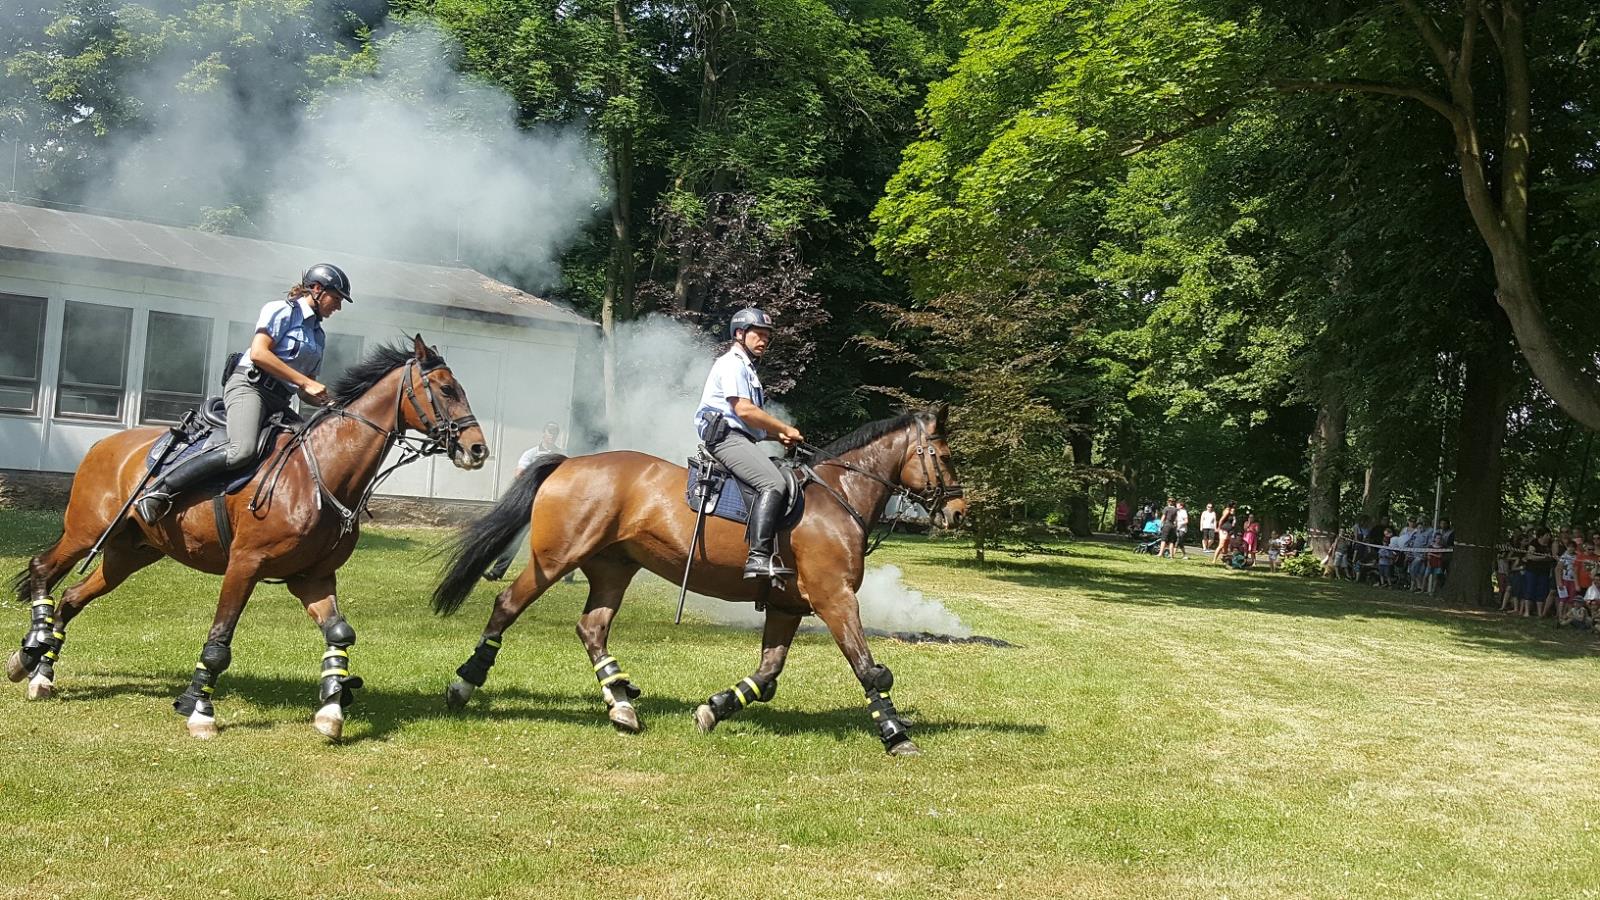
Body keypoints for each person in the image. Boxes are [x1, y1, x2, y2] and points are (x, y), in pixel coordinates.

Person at [136, 264, 350, 522]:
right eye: (336, 299)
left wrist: (332, 403)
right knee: (243, 450)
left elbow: (306, 391)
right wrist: (305, 382)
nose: (337, 307)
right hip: (250, 388)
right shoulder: (281, 310)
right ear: (317, 289)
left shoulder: (319, 335)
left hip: (280, 401)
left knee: (306, 450)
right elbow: (259, 353)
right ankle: (159, 490)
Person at [693, 307, 804, 580]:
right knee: (773, 483)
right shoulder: (732, 363)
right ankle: (757, 558)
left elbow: (749, 425)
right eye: (759, 334)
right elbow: (743, 410)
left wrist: (776, 436)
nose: (764, 340)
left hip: (739, 438)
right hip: (725, 440)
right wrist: (784, 427)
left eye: (768, 336)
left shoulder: (747, 369)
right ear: (740, 333)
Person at [484, 423, 566, 582]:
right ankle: (496, 572)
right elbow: (520, 473)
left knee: (562, 538)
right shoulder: (531, 454)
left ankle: (567, 574)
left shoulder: (561, 454)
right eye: (550, 432)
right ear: (544, 433)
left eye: (555, 432)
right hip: (533, 501)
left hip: (554, 504)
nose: (552, 435)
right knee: (516, 537)